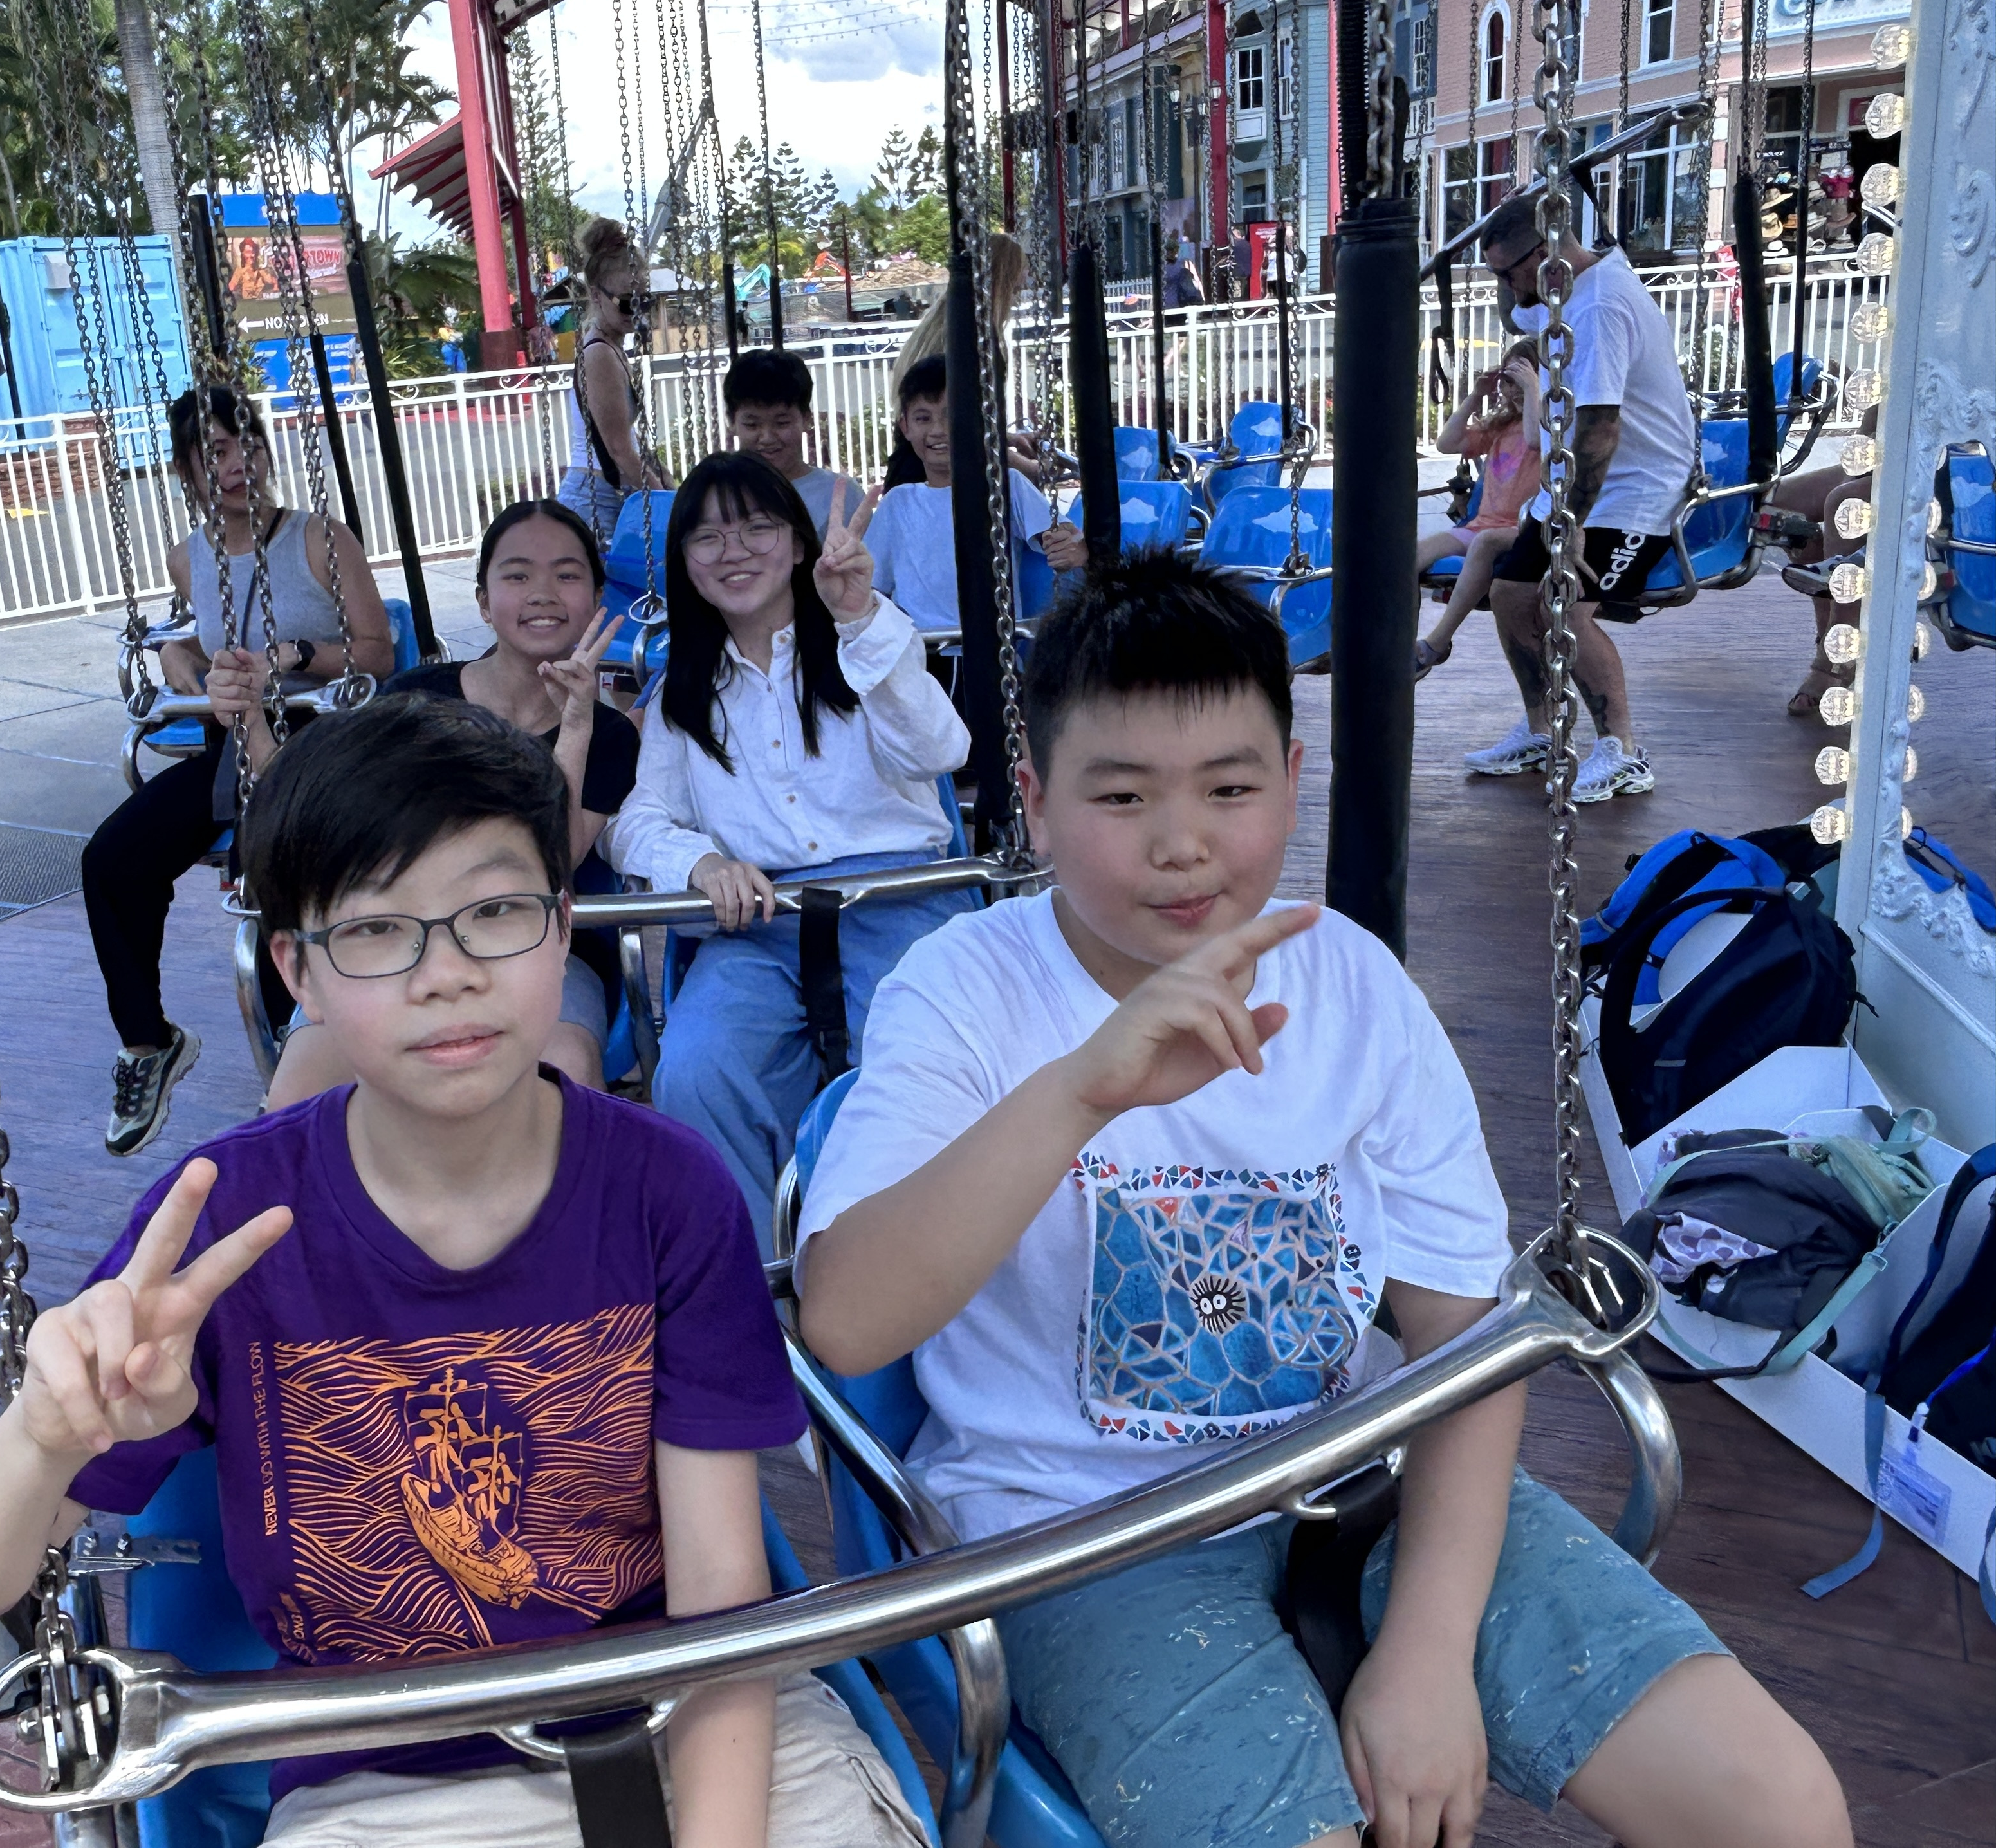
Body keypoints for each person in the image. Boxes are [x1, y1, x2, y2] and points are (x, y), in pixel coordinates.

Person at [793, 555, 1853, 1848]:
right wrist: (1081, 1091)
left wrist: (1428, 1651)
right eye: (1120, 795)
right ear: (1036, 799)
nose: (1181, 843)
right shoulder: (963, 994)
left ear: (1291, 782)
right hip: (1086, 1540)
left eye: (1230, 788)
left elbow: (1466, 1336)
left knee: (1778, 1805)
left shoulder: (1351, 987)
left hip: (1365, 1478)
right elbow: (846, 1320)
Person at [0, 696, 929, 1848]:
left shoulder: (667, 1193)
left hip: (686, 1709)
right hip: (391, 1772)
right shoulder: (227, 1226)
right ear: (297, 970)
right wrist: (44, 1437)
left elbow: (720, 1598)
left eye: (493, 911)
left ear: (562, 927)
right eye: (378, 930)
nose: (446, 973)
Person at [608, 450, 974, 1247]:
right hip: (761, 917)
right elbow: (636, 820)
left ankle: (928, 1258)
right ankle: (757, 1274)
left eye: (757, 528)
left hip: (897, 897)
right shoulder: (682, 694)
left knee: (927, 1063)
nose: (733, 551)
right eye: (708, 537)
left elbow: (942, 749)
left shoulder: (866, 641)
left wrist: (859, 618)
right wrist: (701, 864)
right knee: (698, 1069)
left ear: (800, 543)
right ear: (685, 562)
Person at [80, 384, 391, 1157]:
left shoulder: (319, 538)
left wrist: (297, 654)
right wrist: (178, 654)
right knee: (111, 860)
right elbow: (203, 630)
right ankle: (149, 1043)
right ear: (187, 469)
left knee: (274, 870)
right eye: (214, 451)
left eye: (245, 443)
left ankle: (306, 1055)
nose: (235, 463)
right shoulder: (190, 558)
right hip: (233, 745)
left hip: (317, 739)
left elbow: (378, 654)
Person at [266, 500, 634, 1105]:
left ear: (597, 599)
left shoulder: (609, 735)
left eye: (567, 575)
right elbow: (339, 822)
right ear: (485, 602)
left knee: (564, 1072)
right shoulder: (418, 698)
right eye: (518, 575)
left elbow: (555, 861)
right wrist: (250, 716)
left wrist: (574, 726)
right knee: (301, 1087)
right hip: (396, 934)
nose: (543, 592)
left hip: (534, 943)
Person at [1468, 194, 1694, 804]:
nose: (1508, 289)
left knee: (1561, 606)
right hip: (1573, 483)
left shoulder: (1600, 306)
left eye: (1510, 274)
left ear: (1547, 255)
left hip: (1636, 489)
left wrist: (1570, 532)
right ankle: (1540, 731)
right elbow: (1518, 319)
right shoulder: (1562, 293)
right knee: (1510, 594)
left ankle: (1623, 751)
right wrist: (1513, 282)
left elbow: (1598, 434)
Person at [862, 355, 1087, 634]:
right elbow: (871, 587)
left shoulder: (1006, 486)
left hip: (995, 646)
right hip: (922, 650)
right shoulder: (897, 503)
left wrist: (1069, 546)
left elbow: (1065, 537)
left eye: (951, 415)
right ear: (905, 427)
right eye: (923, 418)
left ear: (977, 420)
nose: (938, 430)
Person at [1414, 342, 1543, 678]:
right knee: (1411, 555)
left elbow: (1536, 440)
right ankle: (1393, 637)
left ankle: (1436, 642)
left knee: (1486, 543)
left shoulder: (1552, 425)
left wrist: (1533, 390)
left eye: (1522, 379)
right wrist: (1476, 395)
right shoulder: (1502, 426)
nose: (1513, 390)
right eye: (1509, 381)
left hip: (1526, 529)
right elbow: (1446, 443)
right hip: (1482, 526)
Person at [884, 232, 1037, 490]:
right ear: (999, 287)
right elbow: (964, 431)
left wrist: (1006, 438)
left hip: (911, 471)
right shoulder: (972, 342)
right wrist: (1029, 469)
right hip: (941, 483)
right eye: (1015, 290)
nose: (1014, 301)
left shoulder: (938, 327)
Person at [560, 216, 672, 543]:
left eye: (643, 301)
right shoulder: (600, 354)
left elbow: (627, 438)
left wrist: (664, 478)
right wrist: (667, 503)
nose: (636, 311)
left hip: (604, 492)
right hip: (594, 498)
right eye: (626, 303)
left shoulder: (610, 347)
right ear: (596, 296)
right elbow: (620, 450)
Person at [1766, 406, 1877, 717]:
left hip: (1925, 474)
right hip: (1875, 467)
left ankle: (1835, 659)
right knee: (1776, 504)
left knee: (1845, 503)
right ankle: (1830, 638)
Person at [723, 346, 866, 524]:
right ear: (732, 422)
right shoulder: (715, 496)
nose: (767, 438)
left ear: (806, 419)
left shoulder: (842, 495)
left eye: (782, 423)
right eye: (752, 425)